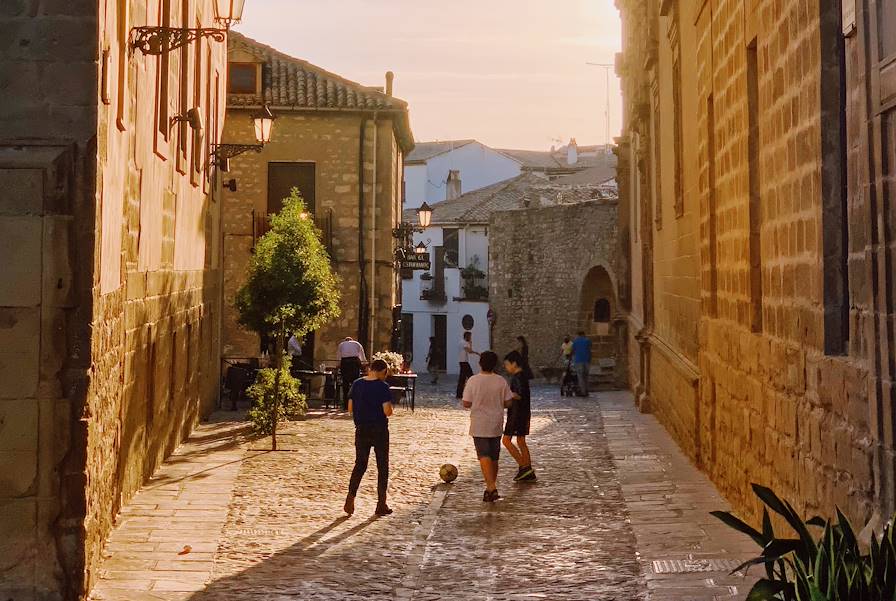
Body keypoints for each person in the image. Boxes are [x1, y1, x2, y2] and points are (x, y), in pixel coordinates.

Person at [461, 351, 514, 502]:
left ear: (480, 363)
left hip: (479, 423)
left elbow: (466, 402)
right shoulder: (500, 381)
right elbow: (509, 402)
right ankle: (490, 487)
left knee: (483, 455)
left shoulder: (473, 380)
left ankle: (491, 487)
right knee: (494, 457)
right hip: (496, 422)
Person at [344, 359, 394, 517]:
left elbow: (350, 408)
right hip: (379, 429)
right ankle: (381, 503)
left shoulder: (357, 384)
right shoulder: (382, 387)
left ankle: (350, 497)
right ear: (382, 371)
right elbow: (387, 411)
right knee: (382, 467)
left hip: (361, 429)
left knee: (360, 465)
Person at [503, 350, 536, 481]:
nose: (506, 367)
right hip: (524, 412)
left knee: (506, 441)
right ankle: (528, 469)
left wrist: (505, 395)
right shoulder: (523, 376)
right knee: (521, 441)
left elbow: (518, 395)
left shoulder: (517, 378)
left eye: (507, 364)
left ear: (514, 364)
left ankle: (524, 467)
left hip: (516, 414)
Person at [337, 336, 367, 409]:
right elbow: (361, 355)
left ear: (345, 340)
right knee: (356, 384)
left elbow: (339, 356)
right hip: (354, 363)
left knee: (345, 385)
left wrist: (337, 365)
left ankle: (346, 405)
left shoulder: (341, 344)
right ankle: (355, 404)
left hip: (345, 363)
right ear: (351, 340)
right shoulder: (357, 344)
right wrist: (364, 363)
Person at [456, 331, 479, 399]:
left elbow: (469, 350)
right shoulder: (464, 343)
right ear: (467, 336)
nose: (470, 338)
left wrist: (470, 343)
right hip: (464, 362)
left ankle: (459, 394)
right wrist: (477, 353)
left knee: (462, 379)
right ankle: (473, 393)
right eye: (470, 336)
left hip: (462, 361)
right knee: (471, 377)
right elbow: (469, 351)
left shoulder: (462, 342)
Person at [571, 331, 593, 397]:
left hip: (578, 361)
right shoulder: (587, 340)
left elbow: (573, 351)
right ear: (584, 334)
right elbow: (589, 349)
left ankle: (583, 391)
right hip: (586, 360)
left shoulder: (575, 341)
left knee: (580, 377)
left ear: (578, 335)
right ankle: (586, 390)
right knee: (586, 376)